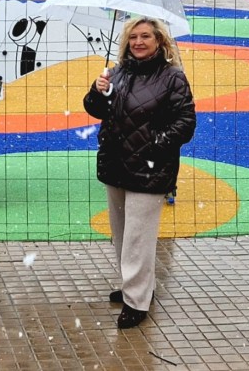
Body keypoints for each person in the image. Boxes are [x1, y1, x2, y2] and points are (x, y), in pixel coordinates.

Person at [83, 17, 195, 329]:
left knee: (138, 237)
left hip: (150, 168)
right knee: (121, 234)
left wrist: (156, 145)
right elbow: (98, 110)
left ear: (159, 41)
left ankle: (136, 301)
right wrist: (97, 92)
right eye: (133, 37)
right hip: (116, 163)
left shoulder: (173, 77)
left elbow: (185, 122)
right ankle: (138, 286)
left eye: (146, 36)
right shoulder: (118, 72)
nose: (138, 42)